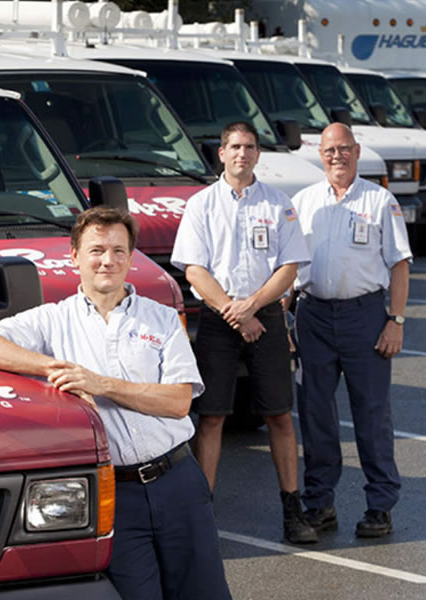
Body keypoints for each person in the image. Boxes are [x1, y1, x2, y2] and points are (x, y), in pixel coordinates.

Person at [0, 206, 232, 600]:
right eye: (97, 250)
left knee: (205, 593)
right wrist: (55, 367)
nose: (108, 260)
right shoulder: (51, 320)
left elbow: (177, 401)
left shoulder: (160, 318)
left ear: (131, 258)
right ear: (74, 257)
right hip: (114, 494)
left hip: (178, 482)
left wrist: (98, 383)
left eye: (119, 251)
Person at [170, 121, 315, 544]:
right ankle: (202, 512)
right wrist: (235, 312)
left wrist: (252, 307)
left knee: (280, 416)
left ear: (257, 154)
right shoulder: (201, 204)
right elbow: (194, 268)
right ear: (221, 153)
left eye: (249, 147)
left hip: (266, 315)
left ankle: (293, 512)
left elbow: (289, 267)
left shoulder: (278, 203)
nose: (242, 154)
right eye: (234, 146)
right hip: (219, 318)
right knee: (212, 416)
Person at [291, 123, 412, 538]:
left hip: (365, 317)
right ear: (319, 155)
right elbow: (288, 269)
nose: (337, 156)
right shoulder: (303, 202)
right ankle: (320, 503)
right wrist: (288, 320)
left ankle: (380, 506)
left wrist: (395, 321)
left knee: (372, 415)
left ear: (357, 152)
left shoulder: (380, 201)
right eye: (329, 150)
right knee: (315, 415)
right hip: (313, 317)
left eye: (344, 149)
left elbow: (399, 264)